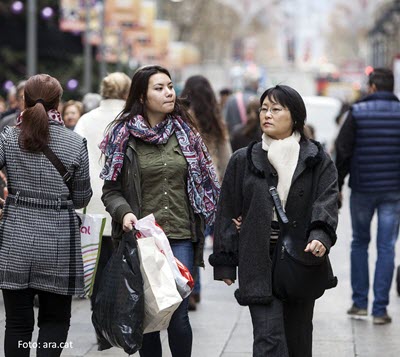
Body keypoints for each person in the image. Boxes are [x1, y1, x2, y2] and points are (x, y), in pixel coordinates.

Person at [99, 65, 220, 357]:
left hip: (179, 235)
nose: (168, 93)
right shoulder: (122, 135)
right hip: (143, 239)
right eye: (159, 88)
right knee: (149, 315)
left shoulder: (186, 133)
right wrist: (124, 213)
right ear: (142, 95)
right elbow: (110, 191)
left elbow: (204, 181)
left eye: (169, 86)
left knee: (178, 314)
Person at [209, 85, 339, 357]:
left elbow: (327, 200)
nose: (267, 114)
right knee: (267, 339)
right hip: (258, 259)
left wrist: (320, 236)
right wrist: (224, 261)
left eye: (276, 109)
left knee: (298, 339)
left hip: (300, 260)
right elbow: (227, 208)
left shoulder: (316, 158)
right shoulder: (243, 159)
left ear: (295, 116)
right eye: (264, 109)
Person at [0, 74, 92, 357]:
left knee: (16, 322)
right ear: (59, 103)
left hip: (15, 235)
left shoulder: (8, 137)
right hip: (58, 241)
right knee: (54, 320)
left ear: (23, 100)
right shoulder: (75, 143)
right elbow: (81, 197)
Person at [335, 68, 400, 325]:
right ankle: (380, 309)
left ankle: (360, 303)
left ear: (372, 87)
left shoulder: (357, 113)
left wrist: (338, 184)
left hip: (362, 189)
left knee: (360, 243)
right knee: (386, 247)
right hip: (393, 191)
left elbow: (343, 150)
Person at [74, 72, 131, 308]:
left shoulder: (86, 119)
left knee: (97, 260)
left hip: (92, 199)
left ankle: (100, 312)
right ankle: (118, 310)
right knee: (123, 260)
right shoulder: (130, 120)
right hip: (122, 200)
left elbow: (74, 156)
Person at [180, 75, 232, 310]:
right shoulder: (215, 118)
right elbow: (225, 154)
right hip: (210, 189)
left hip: (186, 186)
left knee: (189, 240)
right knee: (198, 239)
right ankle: (195, 289)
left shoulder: (182, 116)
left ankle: (191, 290)